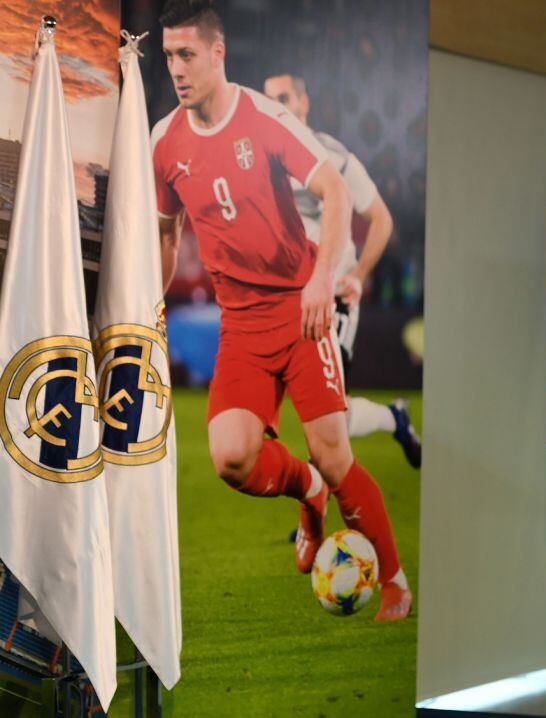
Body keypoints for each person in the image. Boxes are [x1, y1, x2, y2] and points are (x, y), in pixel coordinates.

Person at [151, 0, 410, 620]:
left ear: (218, 53)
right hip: (239, 322)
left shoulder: (265, 119)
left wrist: (324, 278)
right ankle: (310, 494)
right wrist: (151, 305)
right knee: (231, 458)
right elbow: (166, 231)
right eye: (168, 56)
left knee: (335, 452)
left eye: (187, 54)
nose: (177, 69)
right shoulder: (163, 143)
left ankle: (395, 578)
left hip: (301, 310)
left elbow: (336, 190)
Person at [262, 71, 421, 469]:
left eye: (283, 98)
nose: (275, 107)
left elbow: (381, 219)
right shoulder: (258, 158)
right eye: (267, 100)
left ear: (304, 103)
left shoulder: (332, 155)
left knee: (328, 414)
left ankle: (309, 529)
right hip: (287, 298)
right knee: (328, 413)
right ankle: (394, 418)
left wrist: (358, 275)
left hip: (333, 297)